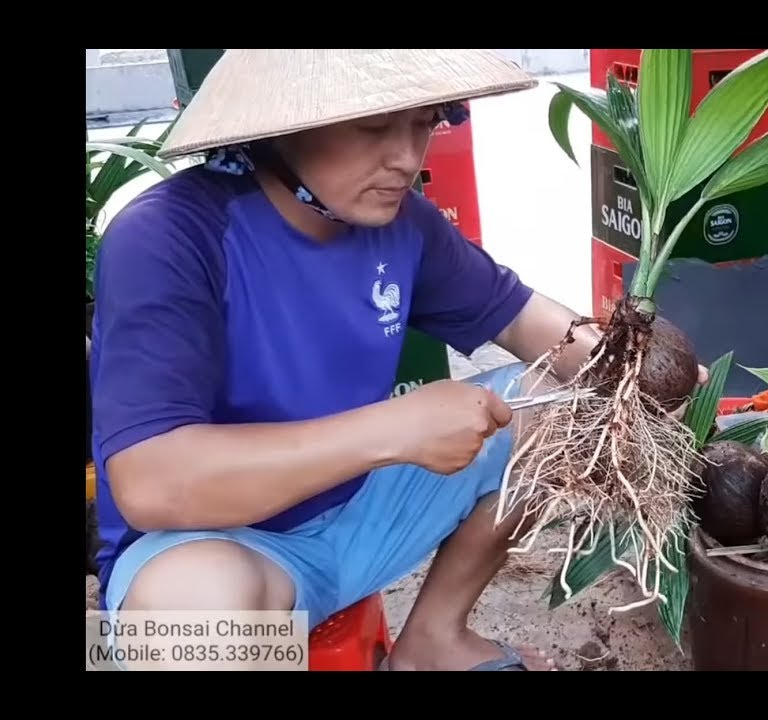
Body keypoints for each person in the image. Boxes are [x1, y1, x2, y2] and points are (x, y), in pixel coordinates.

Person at [89, 49, 705, 672]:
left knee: (558, 406)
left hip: (359, 518)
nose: (408, 159)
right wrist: (390, 430)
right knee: (193, 617)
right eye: (374, 127)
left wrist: (636, 376)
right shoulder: (170, 235)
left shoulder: (401, 222)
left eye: (424, 122)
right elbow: (150, 482)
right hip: (217, 549)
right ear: (289, 123)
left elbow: (525, 321)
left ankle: (432, 641)